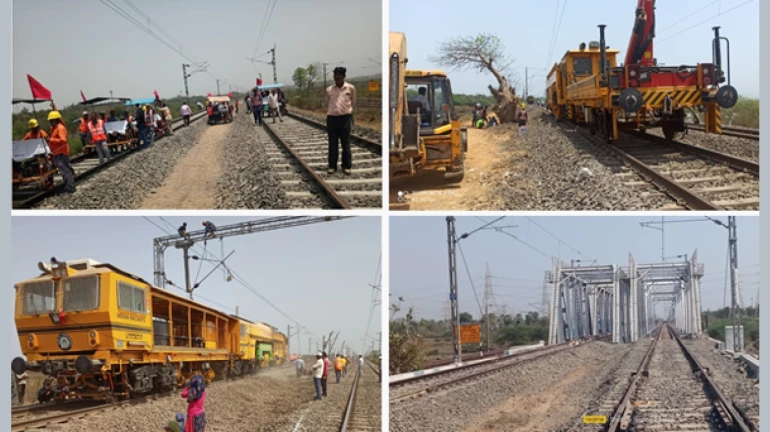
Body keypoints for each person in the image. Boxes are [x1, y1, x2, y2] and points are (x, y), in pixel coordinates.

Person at [326, 66, 356, 175]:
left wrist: (346, 111)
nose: (337, 77)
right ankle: (332, 166)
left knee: (346, 144)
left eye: (339, 75)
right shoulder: (329, 89)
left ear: (344, 76)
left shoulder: (350, 88)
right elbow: (328, 103)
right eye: (335, 75)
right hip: (332, 119)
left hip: (345, 119)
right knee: (332, 144)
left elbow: (353, 102)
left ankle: (346, 166)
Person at [47, 109, 76, 193]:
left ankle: (70, 188)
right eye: (50, 120)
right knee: (63, 171)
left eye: (52, 120)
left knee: (65, 171)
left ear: (56, 120)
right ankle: (68, 187)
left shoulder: (60, 128)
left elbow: (63, 140)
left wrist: (51, 140)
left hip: (61, 152)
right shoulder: (54, 128)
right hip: (57, 153)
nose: (50, 122)